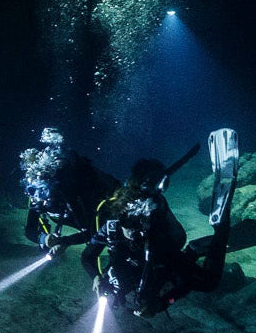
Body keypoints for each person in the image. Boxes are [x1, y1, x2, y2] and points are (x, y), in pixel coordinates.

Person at [90, 129, 239, 316]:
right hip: (141, 258)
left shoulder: (155, 234)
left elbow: (183, 285)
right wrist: (96, 276)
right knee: (140, 282)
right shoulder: (112, 227)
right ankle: (195, 249)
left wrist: (164, 302)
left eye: (137, 230)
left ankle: (221, 226)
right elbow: (88, 256)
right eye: (128, 229)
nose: (133, 235)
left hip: (163, 249)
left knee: (208, 282)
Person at [19, 128, 120, 262]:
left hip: (102, 214)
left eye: (44, 191)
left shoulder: (74, 195)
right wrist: (44, 238)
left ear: (54, 188)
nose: (39, 197)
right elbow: (30, 229)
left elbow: (93, 232)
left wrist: (66, 241)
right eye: (33, 190)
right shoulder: (37, 196)